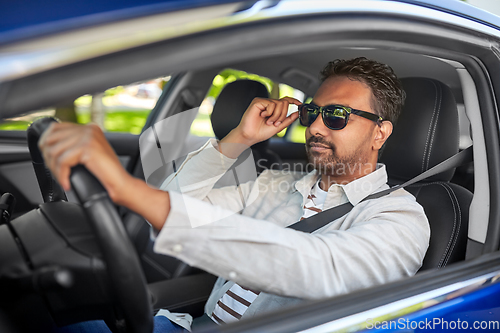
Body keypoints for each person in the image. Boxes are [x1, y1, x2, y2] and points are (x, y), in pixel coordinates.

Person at [41, 57, 429, 332]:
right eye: (312, 113)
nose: (315, 128)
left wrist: (125, 189)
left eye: (337, 116)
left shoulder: (400, 218)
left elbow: (320, 268)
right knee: (41, 311)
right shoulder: (278, 182)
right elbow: (182, 208)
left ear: (380, 132)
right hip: (192, 325)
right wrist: (238, 139)